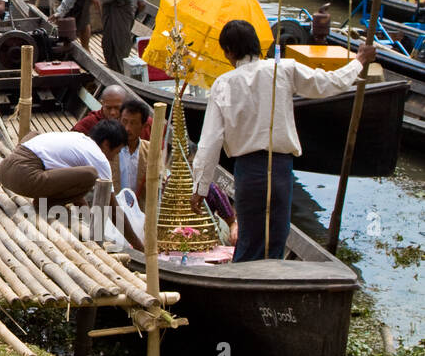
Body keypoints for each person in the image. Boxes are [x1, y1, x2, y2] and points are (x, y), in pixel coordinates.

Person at [191, 20, 375, 261]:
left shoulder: (224, 84)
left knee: (250, 238)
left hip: (249, 171)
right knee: (277, 236)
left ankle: (247, 283)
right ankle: (269, 283)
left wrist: (200, 188)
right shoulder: (283, 69)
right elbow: (329, 83)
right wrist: (359, 61)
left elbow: (209, 142)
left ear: (229, 52)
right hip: (279, 170)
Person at [0, 121, 127, 206]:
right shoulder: (99, 158)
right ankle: (45, 204)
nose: (114, 158)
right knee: (91, 174)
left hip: (4, 170)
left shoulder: (77, 138)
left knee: (35, 134)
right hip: (24, 178)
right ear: (106, 144)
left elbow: (71, 188)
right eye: (117, 152)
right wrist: (139, 245)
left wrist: (85, 212)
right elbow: (112, 207)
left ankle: (46, 201)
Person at [71, 85, 149, 139]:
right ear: (102, 104)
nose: (113, 113)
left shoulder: (141, 121)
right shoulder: (90, 122)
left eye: (117, 108)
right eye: (108, 108)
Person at [113, 98, 151, 200]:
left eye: (133, 123)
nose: (127, 128)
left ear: (144, 126)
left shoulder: (151, 151)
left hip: (140, 211)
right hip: (114, 209)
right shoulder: (109, 149)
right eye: (124, 122)